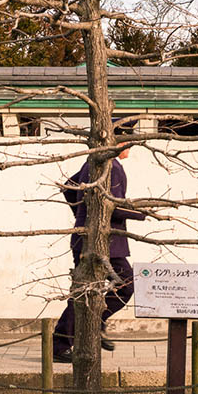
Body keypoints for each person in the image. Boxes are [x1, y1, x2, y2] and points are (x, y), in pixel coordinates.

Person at [53, 145, 145, 363]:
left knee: (84, 292)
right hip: (105, 242)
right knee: (123, 285)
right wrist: (144, 211)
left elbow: (68, 187)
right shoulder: (112, 167)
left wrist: (82, 218)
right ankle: (85, 330)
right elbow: (113, 205)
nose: (131, 148)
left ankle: (69, 340)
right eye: (129, 144)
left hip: (87, 239)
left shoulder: (92, 162)